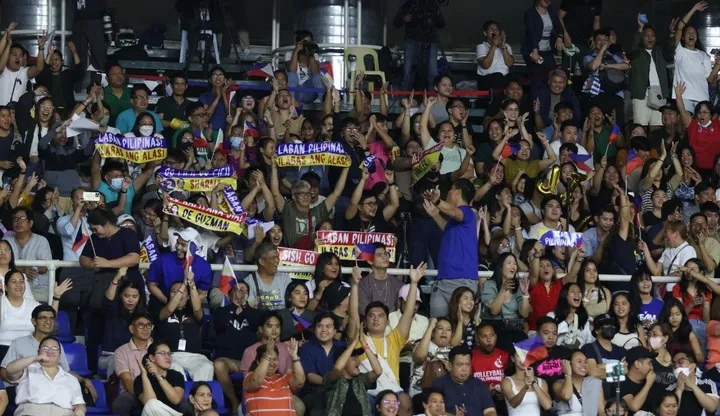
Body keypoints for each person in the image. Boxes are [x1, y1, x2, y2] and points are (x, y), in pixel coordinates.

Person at [347, 262, 426, 416]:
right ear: (366, 321)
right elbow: (352, 315)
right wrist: (355, 286)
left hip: (393, 392)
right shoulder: (359, 339)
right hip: (369, 392)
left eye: (381, 316)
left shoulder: (394, 339)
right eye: (371, 316)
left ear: (388, 321)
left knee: (405, 401)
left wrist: (414, 283)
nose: (376, 319)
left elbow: (408, 313)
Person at [423, 178, 478, 317]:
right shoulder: (455, 221)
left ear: (457, 193)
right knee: (437, 327)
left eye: (450, 190)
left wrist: (438, 201)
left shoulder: (467, 212)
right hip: (443, 280)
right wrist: (435, 214)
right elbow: (447, 228)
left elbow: (455, 212)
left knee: (461, 329)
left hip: (461, 281)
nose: (448, 193)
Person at [5, 336, 86, 416]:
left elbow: (79, 403)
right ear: (38, 351)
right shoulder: (27, 370)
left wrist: (81, 409)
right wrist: (35, 358)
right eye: (45, 348)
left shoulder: (71, 379)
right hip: (31, 413)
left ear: (60, 354)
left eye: (54, 348)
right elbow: (9, 369)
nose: (50, 351)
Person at [0, 270, 70, 361]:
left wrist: (56, 297)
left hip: (28, 349)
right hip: (3, 348)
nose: (18, 285)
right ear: (5, 287)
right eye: (14, 282)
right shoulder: (2, 302)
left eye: (21, 281)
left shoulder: (32, 305)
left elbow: (49, 318)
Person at [212, 279, 260, 413]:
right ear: (229, 294)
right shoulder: (221, 311)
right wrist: (234, 308)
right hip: (230, 360)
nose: (241, 293)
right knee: (218, 365)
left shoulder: (255, 313)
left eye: (245, 291)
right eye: (238, 290)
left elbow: (254, 323)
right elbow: (220, 324)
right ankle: (234, 401)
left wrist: (244, 307)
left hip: (250, 361)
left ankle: (250, 403)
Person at [156, 278, 214, 381]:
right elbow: (169, 309)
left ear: (188, 297)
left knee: (207, 367)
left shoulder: (194, 313)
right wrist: (183, 286)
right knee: (174, 368)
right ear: (169, 296)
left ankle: (199, 396)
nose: (179, 293)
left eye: (183, 292)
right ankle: (182, 396)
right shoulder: (162, 311)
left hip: (195, 356)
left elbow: (197, 308)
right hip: (171, 355)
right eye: (174, 291)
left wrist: (191, 283)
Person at [147, 227, 213, 307]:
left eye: (183, 245)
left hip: (190, 308)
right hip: (163, 303)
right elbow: (151, 285)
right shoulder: (162, 260)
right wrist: (170, 304)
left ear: (193, 248)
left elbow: (201, 294)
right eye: (178, 242)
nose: (178, 247)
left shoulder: (204, 267)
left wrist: (187, 308)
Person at [323, 334, 383, 416]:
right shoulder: (331, 379)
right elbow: (338, 368)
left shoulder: (361, 379)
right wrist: (354, 342)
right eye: (354, 358)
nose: (358, 361)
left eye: (357, 357)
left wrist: (364, 344)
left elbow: (378, 371)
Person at [243, 339, 306, 416]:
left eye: (275, 359)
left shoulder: (284, 378)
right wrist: (267, 356)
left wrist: (295, 357)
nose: (272, 363)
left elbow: (300, 382)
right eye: (268, 359)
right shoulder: (250, 377)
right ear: (258, 362)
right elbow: (256, 381)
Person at [3, 206, 53, 301]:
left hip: (37, 289)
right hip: (11, 289)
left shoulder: (41, 241)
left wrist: (34, 269)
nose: (18, 222)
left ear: (30, 223)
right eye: (15, 219)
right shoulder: (6, 241)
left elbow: (45, 267)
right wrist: (22, 270)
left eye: (22, 219)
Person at [298, 313, 345, 411]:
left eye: (328, 326)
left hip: (341, 389)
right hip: (315, 391)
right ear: (314, 330)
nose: (324, 330)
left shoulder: (343, 347)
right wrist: (332, 385)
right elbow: (311, 376)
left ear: (335, 330)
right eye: (320, 326)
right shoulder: (307, 348)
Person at [394, 0, 445, 90]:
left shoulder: (432, 4)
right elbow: (396, 23)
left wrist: (436, 14)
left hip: (430, 40)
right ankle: (405, 98)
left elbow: (441, 24)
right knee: (408, 72)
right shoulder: (410, 4)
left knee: (432, 72)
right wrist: (404, 18)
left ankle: (433, 98)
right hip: (412, 40)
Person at [432, 345, 497, 416]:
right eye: (460, 365)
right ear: (450, 366)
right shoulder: (439, 384)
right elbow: (435, 412)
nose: (464, 369)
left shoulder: (479, 384)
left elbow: (490, 411)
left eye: (467, 364)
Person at [111, 312, 154, 416]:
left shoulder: (158, 349)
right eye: (141, 325)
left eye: (149, 325)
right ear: (131, 329)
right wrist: (144, 398)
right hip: (133, 394)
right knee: (121, 402)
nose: (146, 328)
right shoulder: (121, 352)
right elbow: (127, 380)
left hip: (156, 393)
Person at [134, 340, 188, 416]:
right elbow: (149, 404)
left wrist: (158, 375)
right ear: (152, 358)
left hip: (173, 413)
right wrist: (144, 375)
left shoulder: (176, 375)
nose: (168, 356)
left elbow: (176, 399)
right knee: (151, 404)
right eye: (163, 353)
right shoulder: (140, 380)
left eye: (169, 353)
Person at [553, 350, 605, 416]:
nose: (584, 365)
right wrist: (567, 374)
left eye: (585, 362)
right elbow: (566, 396)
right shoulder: (558, 384)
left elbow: (601, 411)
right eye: (579, 361)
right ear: (569, 364)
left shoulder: (594, 383)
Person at [357, 243, 406, 314]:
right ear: (370, 261)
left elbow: (402, 313)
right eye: (379, 255)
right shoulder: (362, 285)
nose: (384, 257)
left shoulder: (399, 284)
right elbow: (365, 312)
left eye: (385, 254)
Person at [501, 349, 553, 416]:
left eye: (526, 355)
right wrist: (526, 387)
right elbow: (513, 404)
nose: (523, 359)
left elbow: (547, 406)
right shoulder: (507, 381)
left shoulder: (541, 381)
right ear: (512, 358)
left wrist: (533, 382)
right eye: (519, 355)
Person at [0, 31, 46, 105]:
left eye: (20, 56)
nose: (18, 58)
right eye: (14, 55)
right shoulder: (2, 69)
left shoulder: (24, 72)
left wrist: (41, 48)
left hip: (17, 114)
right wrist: (8, 45)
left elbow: (39, 68)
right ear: (7, 56)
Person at [471, 322, 510, 409]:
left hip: (502, 401)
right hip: (478, 402)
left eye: (491, 335)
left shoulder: (505, 355)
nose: (489, 340)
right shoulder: (470, 357)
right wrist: (485, 394)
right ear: (477, 339)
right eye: (484, 336)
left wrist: (506, 394)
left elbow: (512, 379)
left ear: (496, 336)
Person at [244, 242, 291, 310]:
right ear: (262, 262)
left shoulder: (285, 279)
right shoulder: (249, 282)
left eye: (277, 257)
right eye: (273, 258)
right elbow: (251, 310)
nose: (277, 261)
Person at [621, 346, 665, 414]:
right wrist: (648, 384)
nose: (652, 367)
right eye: (649, 363)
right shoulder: (622, 383)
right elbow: (634, 406)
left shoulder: (653, 382)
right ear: (637, 364)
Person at [581, 312, 625, 379]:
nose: (611, 328)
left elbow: (626, 370)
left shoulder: (621, 350)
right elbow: (593, 373)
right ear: (596, 331)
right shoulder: (588, 348)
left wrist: (601, 366)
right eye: (606, 325)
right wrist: (618, 369)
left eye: (613, 326)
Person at [476, 21, 515, 91]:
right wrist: (493, 46)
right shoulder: (481, 47)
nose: (494, 31)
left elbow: (510, 64)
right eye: (491, 29)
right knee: (496, 77)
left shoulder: (507, 46)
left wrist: (503, 46)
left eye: (496, 29)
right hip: (487, 80)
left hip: (504, 79)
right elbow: (486, 65)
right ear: (485, 33)